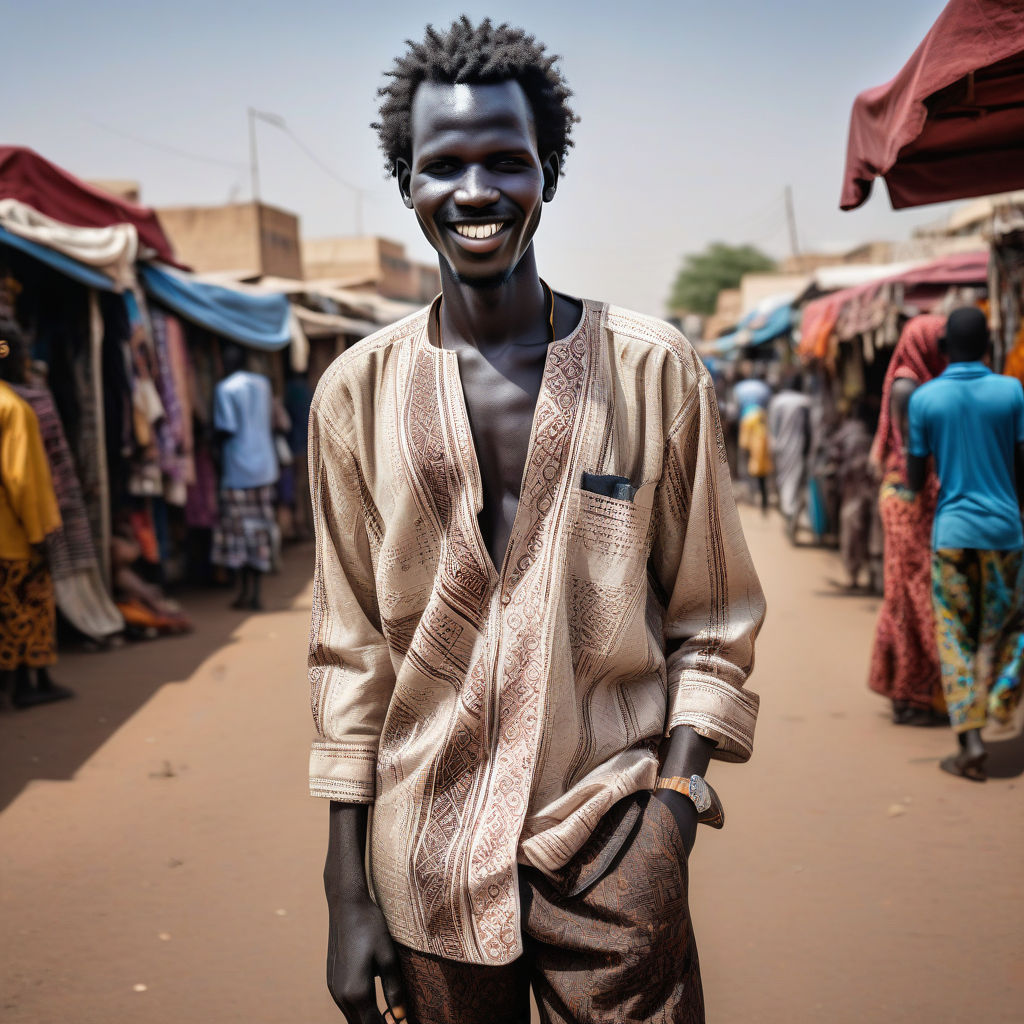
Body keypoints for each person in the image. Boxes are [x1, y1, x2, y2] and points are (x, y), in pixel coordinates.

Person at [307, 19, 766, 1024]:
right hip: (425, 861)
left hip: (610, 848)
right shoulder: (354, 395)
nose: (476, 191)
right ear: (408, 183)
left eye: (506, 160)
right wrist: (346, 889)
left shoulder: (652, 374)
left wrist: (671, 816)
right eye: (444, 165)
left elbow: (713, 618)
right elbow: (348, 655)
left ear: (546, 173)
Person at [906, 307, 1024, 781]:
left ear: (942, 349)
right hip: (1005, 532)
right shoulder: (1012, 391)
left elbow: (915, 479)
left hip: (953, 535)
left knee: (955, 635)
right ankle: (1004, 691)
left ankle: (970, 742)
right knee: (1010, 624)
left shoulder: (925, 399)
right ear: (989, 345)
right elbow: (1020, 463)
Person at [867, 315, 948, 727]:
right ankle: (915, 690)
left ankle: (912, 690)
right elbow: (914, 451)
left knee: (910, 592)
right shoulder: (908, 384)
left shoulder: (920, 382)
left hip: (913, 495)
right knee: (915, 593)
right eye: (940, 342)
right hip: (908, 497)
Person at [0, 319, 70, 709]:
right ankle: (29, 685)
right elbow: (23, 479)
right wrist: (41, 531)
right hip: (12, 537)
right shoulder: (14, 408)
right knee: (29, 609)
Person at [210, 343, 278, 610]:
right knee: (260, 531)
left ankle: (244, 593)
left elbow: (226, 427)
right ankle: (256, 593)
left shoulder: (225, 389)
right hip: (264, 467)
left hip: (238, 471)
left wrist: (209, 439)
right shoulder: (263, 384)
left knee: (238, 534)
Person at [825, 403, 878, 592]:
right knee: (870, 532)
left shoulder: (845, 434)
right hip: (871, 489)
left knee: (851, 532)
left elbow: (833, 458)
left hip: (851, 490)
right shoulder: (875, 434)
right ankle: (872, 577)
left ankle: (853, 575)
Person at [767, 374, 811, 538]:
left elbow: (772, 426)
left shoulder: (777, 401)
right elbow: (809, 428)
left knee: (784, 479)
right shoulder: (804, 401)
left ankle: (788, 512)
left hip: (780, 446)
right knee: (795, 480)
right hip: (798, 445)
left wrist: (773, 444)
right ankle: (790, 512)